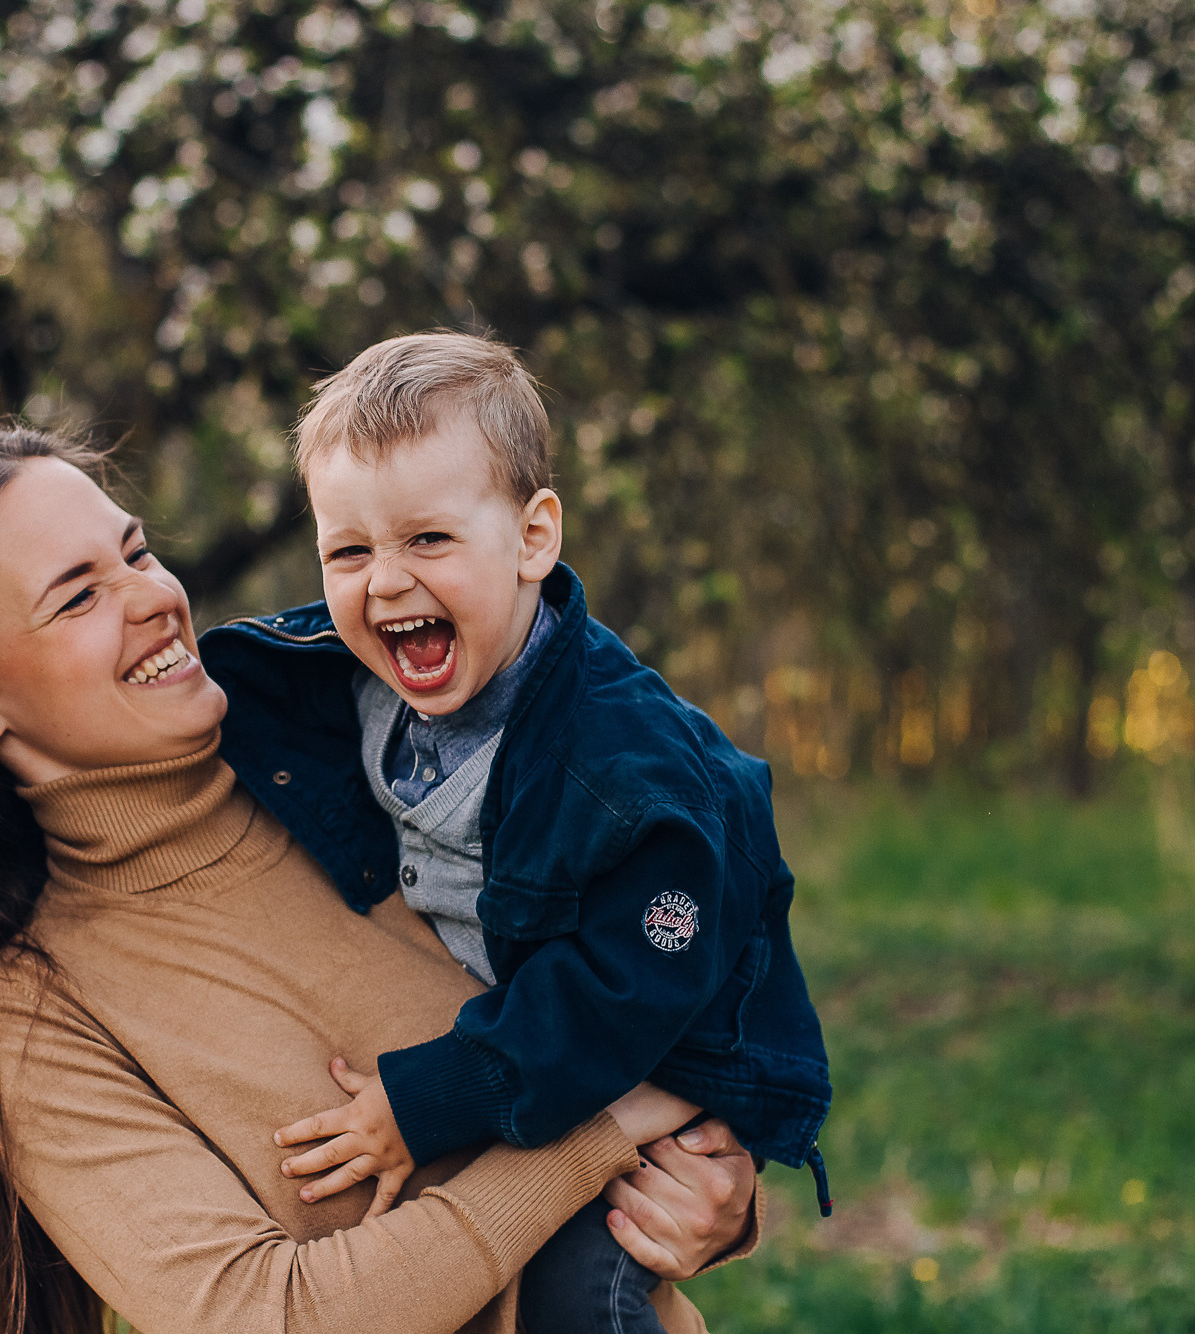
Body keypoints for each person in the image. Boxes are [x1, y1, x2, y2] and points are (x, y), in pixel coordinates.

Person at [0, 426, 762, 1334]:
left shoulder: (369, 758)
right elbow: (267, 1314)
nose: (151, 595)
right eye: (77, 595)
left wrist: (711, 1184)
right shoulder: (27, 1006)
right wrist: (601, 1131)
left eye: (133, 551)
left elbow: (643, 983)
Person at [198, 333, 832, 1334]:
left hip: (647, 1064)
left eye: (428, 540)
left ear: (534, 537)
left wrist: (429, 1094)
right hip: (524, 1058)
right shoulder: (356, 687)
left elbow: (622, 992)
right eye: (348, 550)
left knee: (584, 1295)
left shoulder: (626, 770)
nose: (386, 580)